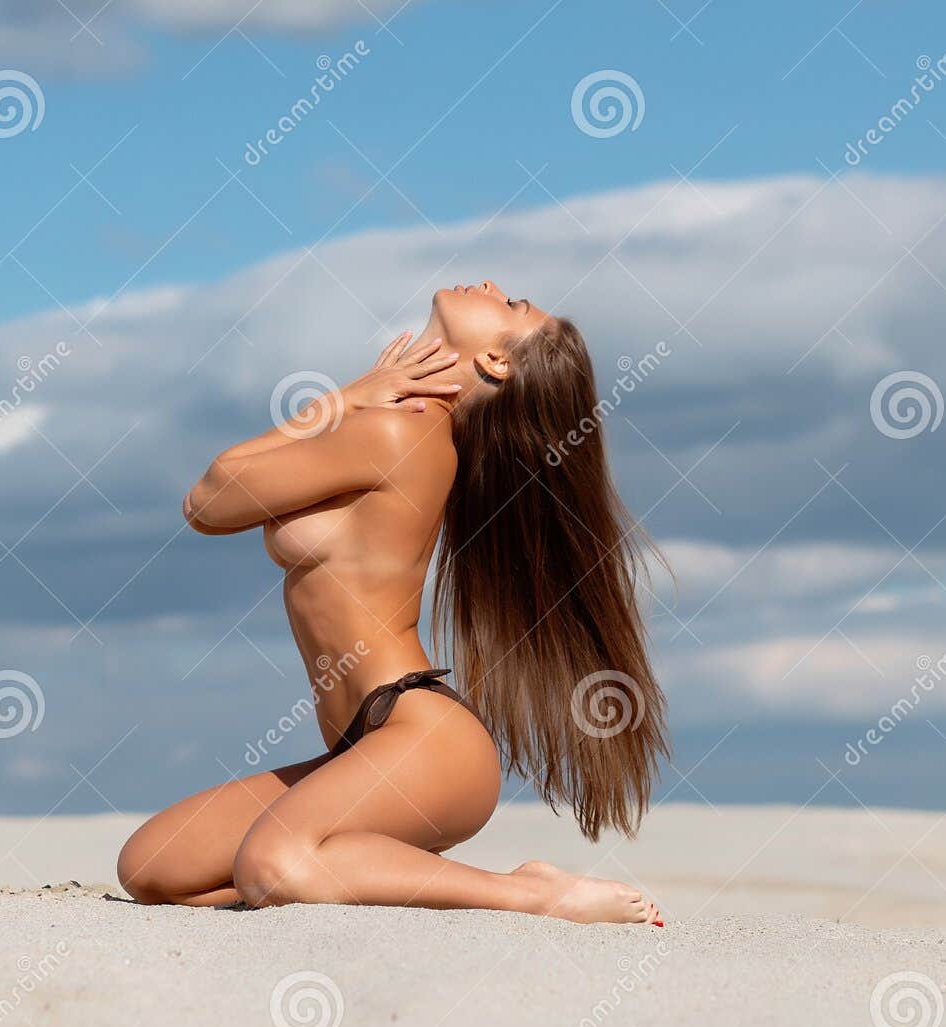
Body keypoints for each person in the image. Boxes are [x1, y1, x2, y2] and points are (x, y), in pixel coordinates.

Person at [117, 281, 668, 924]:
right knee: (153, 866)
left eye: (512, 303)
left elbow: (209, 500)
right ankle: (341, 864)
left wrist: (346, 396)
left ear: (496, 361)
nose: (492, 287)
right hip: (364, 743)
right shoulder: (405, 428)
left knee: (272, 863)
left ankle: (532, 892)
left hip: (424, 738)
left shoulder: (398, 431)